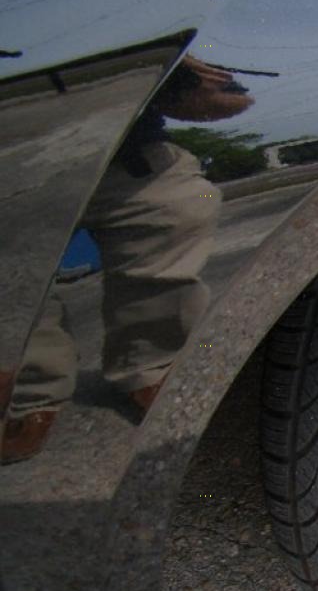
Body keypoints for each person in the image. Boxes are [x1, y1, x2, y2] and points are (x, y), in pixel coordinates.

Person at [1, 56, 253, 463]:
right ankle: (31, 388)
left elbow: (236, 104)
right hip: (13, 162)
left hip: (126, 153)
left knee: (181, 204)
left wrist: (178, 80)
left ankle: (151, 361)